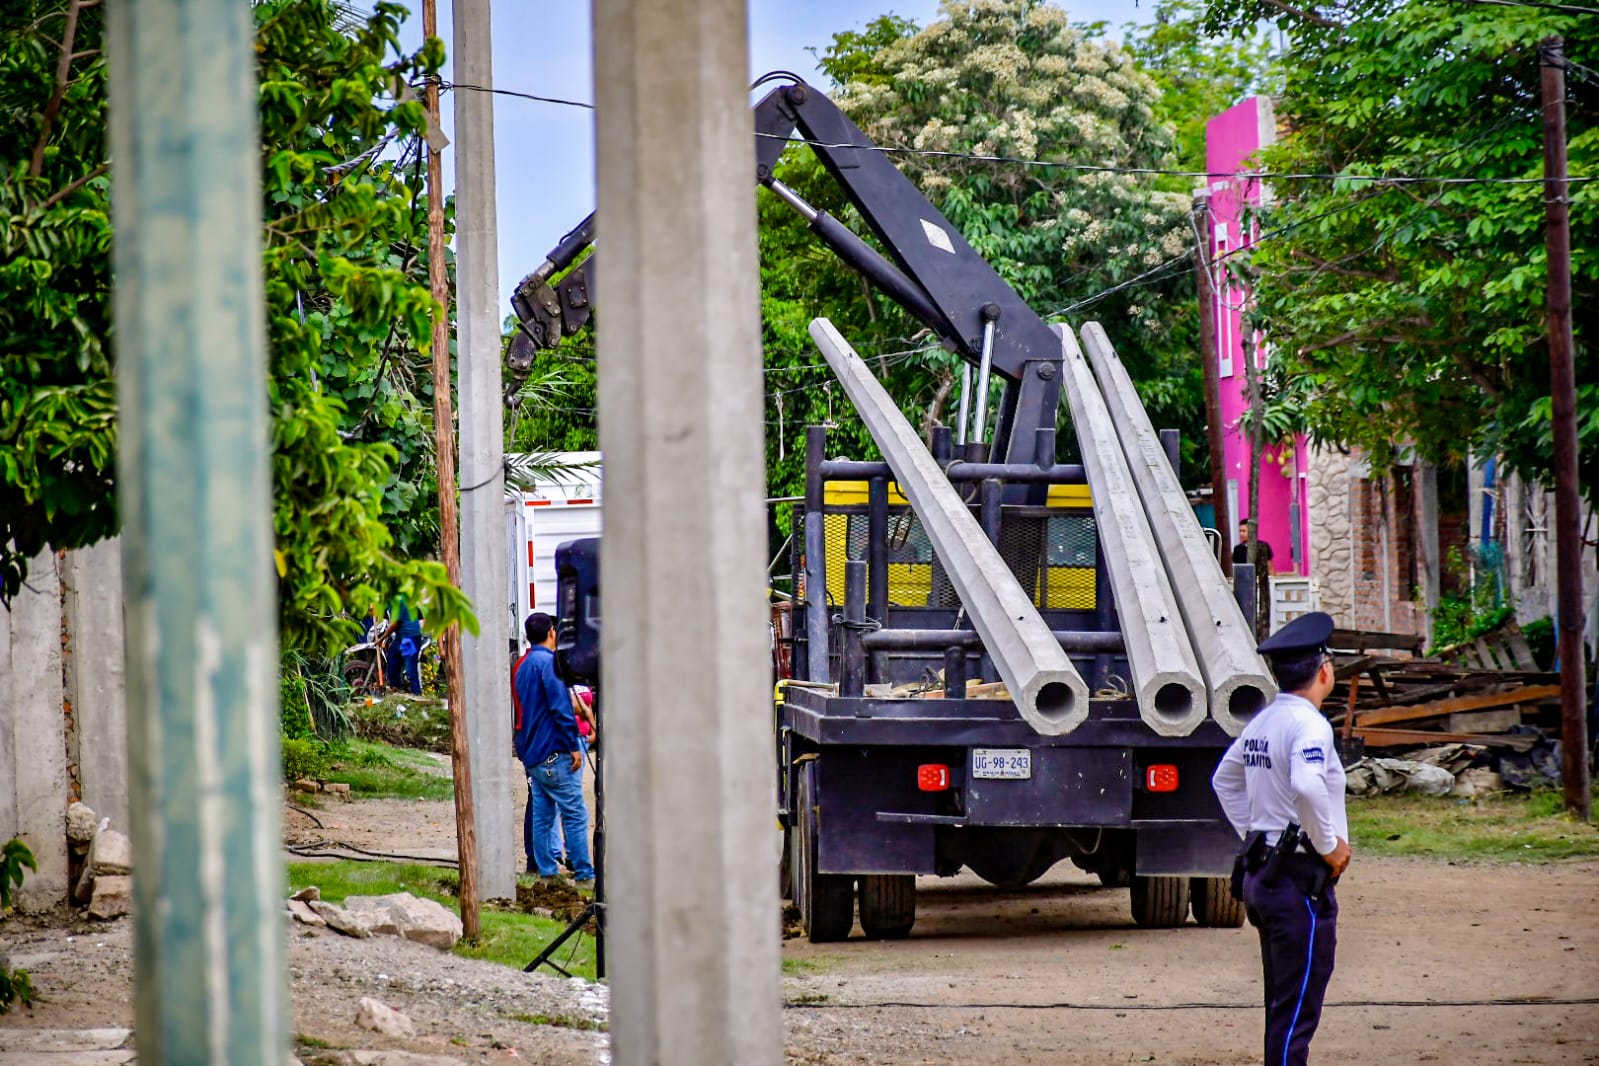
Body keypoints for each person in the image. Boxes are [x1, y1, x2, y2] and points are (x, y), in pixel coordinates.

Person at [1211, 611, 1351, 1066]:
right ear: (1324, 670)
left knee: (1282, 1006)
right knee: (1296, 1014)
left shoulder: (1265, 720)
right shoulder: (1310, 724)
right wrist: (1329, 847)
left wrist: (1258, 834)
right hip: (1298, 882)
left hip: (1265, 874)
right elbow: (1309, 787)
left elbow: (1224, 781)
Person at [512, 612, 594, 885]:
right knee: (575, 813)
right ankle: (584, 874)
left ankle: (547, 872)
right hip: (555, 752)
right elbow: (560, 708)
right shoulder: (550, 664)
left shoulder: (523, 666)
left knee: (543, 814)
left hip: (534, 752)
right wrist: (572, 745)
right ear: (551, 633)